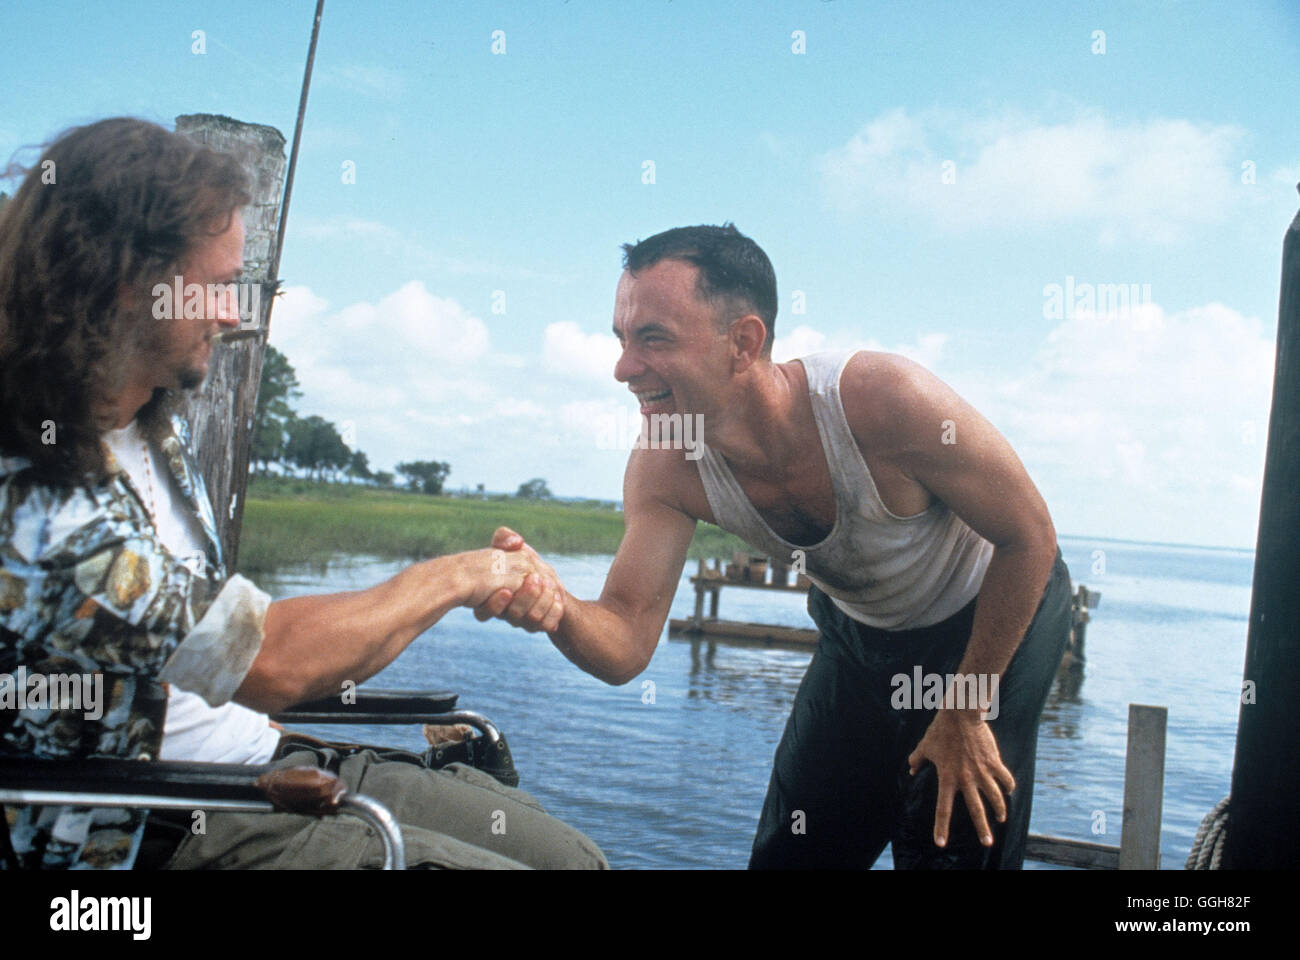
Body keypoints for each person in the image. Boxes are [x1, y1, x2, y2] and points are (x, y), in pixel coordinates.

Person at [0, 117, 606, 870]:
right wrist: (464, 575)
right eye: (219, 287)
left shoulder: (152, 428)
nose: (235, 314)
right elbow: (273, 662)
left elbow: (292, 671)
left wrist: (462, 585)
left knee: (571, 861)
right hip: (151, 827)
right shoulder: (40, 513)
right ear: (130, 286)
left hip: (266, 760)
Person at [481, 223, 1071, 868]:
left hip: (991, 616)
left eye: (653, 338)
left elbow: (1029, 537)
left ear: (743, 341)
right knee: (794, 852)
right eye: (622, 338)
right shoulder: (666, 464)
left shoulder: (881, 400)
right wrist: (554, 602)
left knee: (951, 839)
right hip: (860, 632)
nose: (623, 368)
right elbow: (625, 643)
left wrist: (963, 708)